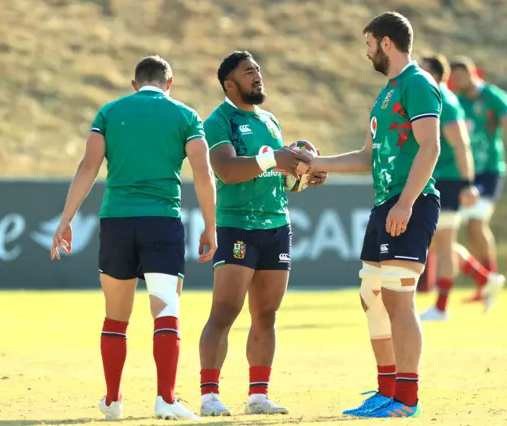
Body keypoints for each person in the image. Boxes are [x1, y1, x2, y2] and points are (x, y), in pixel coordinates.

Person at [49, 55, 217, 421]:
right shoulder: (186, 116)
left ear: (134, 84)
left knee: (115, 318)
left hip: (117, 223)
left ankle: (112, 401)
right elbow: (203, 174)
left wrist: (65, 220)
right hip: (162, 222)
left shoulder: (109, 112)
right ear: (169, 83)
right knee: (166, 311)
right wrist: (210, 225)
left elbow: (88, 166)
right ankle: (166, 400)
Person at [309, 12, 440, 418]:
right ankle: (386, 391)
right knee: (372, 295)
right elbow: (367, 157)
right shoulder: (387, 93)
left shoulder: (417, 84)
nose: (366, 53)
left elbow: (430, 148)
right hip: (385, 202)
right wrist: (317, 163)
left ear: (385, 43)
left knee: (400, 299)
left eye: (368, 44)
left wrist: (406, 203)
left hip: (409, 202)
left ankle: (408, 398)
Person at [197, 50, 325, 417]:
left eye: (258, 69)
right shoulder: (219, 122)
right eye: (248, 71)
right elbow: (225, 170)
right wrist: (275, 159)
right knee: (225, 310)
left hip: (276, 225)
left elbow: (276, 180)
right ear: (230, 84)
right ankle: (209, 396)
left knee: (266, 314)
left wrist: (302, 180)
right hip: (237, 224)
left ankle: (258, 395)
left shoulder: (270, 120)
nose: (257, 76)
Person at [418, 54, 505, 320]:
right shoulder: (433, 98)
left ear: (433, 74)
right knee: (437, 242)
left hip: (449, 180)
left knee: (443, 243)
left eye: (421, 70)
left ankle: (442, 307)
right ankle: (484, 278)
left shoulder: (446, 102)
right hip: (436, 178)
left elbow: (461, 145)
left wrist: (468, 184)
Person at [449, 56, 507, 302]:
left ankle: (491, 278)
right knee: (464, 230)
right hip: (464, 172)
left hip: (489, 171)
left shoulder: (494, 98)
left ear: (471, 73)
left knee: (476, 223)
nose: (455, 82)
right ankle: (486, 281)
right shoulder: (456, 101)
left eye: (458, 77)